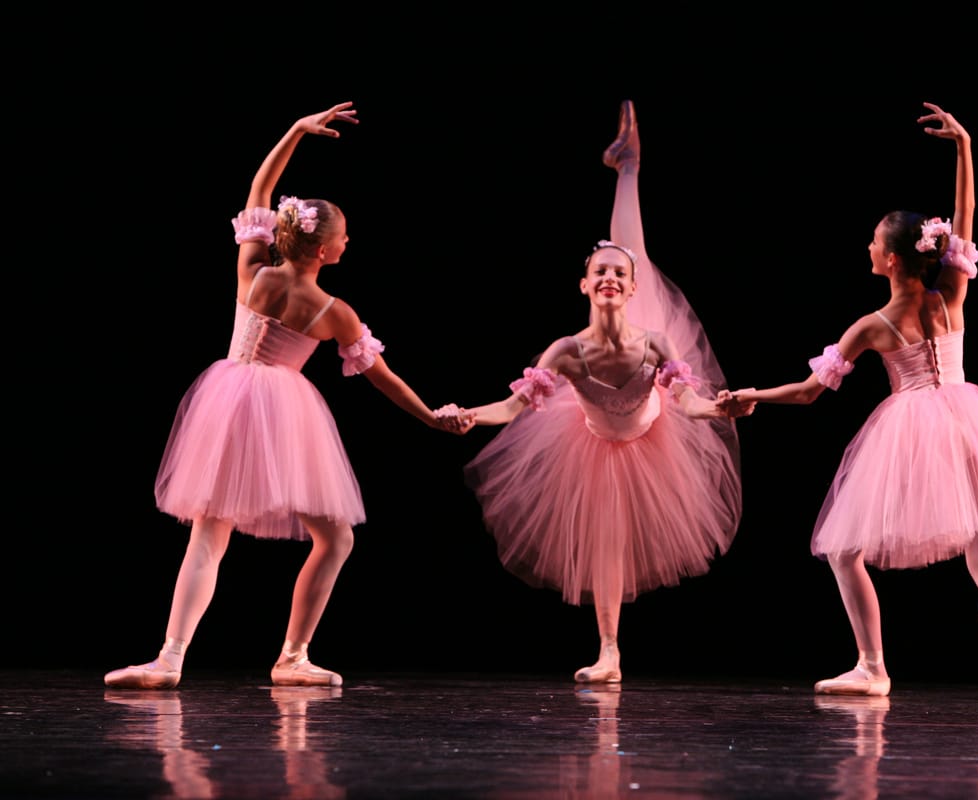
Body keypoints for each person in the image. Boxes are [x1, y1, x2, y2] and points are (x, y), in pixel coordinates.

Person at [104, 102, 471, 691]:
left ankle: (170, 657)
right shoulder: (332, 312)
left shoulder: (255, 270)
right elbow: (382, 377)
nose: (348, 242)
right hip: (282, 417)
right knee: (337, 536)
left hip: (226, 400)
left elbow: (259, 189)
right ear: (324, 251)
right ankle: (292, 655)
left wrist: (296, 131)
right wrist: (430, 416)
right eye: (344, 237)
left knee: (209, 536)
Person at [723, 103, 978, 705]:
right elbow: (966, 215)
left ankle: (872, 667)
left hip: (912, 430)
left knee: (843, 550)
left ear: (893, 258)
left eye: (875, 243)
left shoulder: (873, 325)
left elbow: (809, 391)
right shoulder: (951, 290)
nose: (869, 248)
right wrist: (965, 147)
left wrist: (752, 396)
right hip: (967, 421)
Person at [455, 100, 750, 684]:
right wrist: (467, 415)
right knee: (605, 547)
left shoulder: (656, 340)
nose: (610, 277)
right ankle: (609, 651)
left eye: (619, 275)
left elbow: (688, 401)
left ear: (630, 288)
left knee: (632, 245)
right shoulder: (566, 351)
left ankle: (628, 168)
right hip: (595, 440)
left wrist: (715, 405)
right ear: (584, 285)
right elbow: (513, 406)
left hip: (651, 429)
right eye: (600, 273)